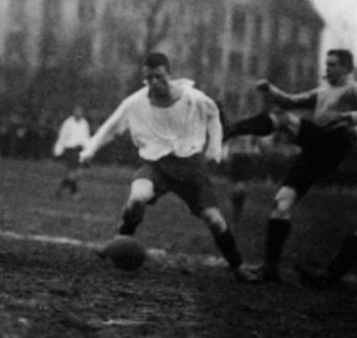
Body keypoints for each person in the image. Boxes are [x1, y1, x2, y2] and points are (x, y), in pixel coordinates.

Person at [79, 52, 255, 282]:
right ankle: (118, 242)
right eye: (149, 78)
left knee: (215, 220)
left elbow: (213, 115)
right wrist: (90, 150)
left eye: (159, 76)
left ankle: (238, 267)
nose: (154, 82)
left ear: (169, 74)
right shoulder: (136, 102)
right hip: (157, 166)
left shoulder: (194, 98)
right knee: (136, 199)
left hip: (191, 169)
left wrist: (214, 148)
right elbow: (111, 126)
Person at [223, 48, 357, 283]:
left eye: (333, 64)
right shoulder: (324, 91)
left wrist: (351, 117)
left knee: (282, 119)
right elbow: (290, 101)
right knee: (282, 201)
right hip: (314, 150)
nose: (327, 68)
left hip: (333, 143)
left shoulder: (352, 89)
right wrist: (271, 90)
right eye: (326, 63)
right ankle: (270, 268)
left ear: (347, 68)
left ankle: (230, 130)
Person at [52, 105, 92, 199]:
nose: (78, 113)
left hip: (80, 150)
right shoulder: (67, 123)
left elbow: (86, 138)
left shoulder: (84, 123)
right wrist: (58, 150)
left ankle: (61, 188)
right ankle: (75, 194)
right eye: (76, 111)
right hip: (70, 150)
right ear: (73, 112)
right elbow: (62, 137)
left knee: (79, 173)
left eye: (80, 111)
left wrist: (88, 150)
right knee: (73, 173)